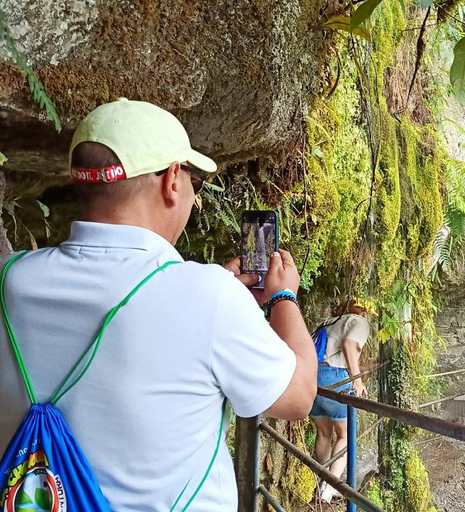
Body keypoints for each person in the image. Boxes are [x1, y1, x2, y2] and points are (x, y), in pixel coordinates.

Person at [0, 98, 318, 511]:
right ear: (171, 180)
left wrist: (205, 292)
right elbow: (299, 396)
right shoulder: (208, 299)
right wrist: (283, 297)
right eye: (192, 181)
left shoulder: (9, 279)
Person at [309, 299, 370, 502]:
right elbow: (349, 345)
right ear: (363, 312)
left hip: (312, 379)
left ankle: (323, 481)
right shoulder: (358, 322)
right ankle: (328, 490)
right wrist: (356, 380)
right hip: (335, 378)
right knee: (345, 435)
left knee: (324, 432)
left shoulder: (328, 322)